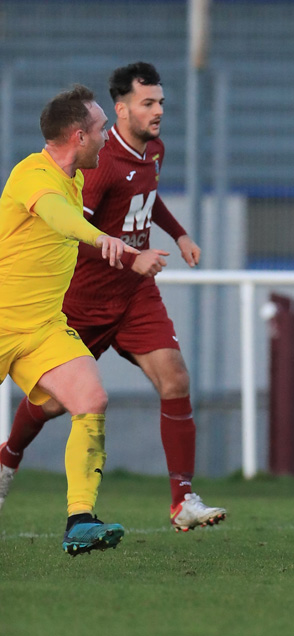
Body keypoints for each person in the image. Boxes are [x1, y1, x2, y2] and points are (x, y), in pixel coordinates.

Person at [0, 62, 227, 531]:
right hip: (84, 297)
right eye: (149, 103)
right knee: (53, 403)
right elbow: (66, 222)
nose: (159, 110)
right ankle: (9, 456)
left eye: (161, 101)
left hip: (132, 295)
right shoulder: (76, 171)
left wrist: (179, 234)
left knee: (167, 381)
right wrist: (120, 250)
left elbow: (146, 195)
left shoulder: (146, 153)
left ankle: (167, 501)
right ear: (120, 112)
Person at [0, 84, 139, 555]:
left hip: (42, 329)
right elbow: (59, 218)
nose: (109, 136)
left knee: (91, 398)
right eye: (103, 129)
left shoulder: (75, 176)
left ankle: (80, 519)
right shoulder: (31, 175)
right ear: (79, 136)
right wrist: (100, 238)